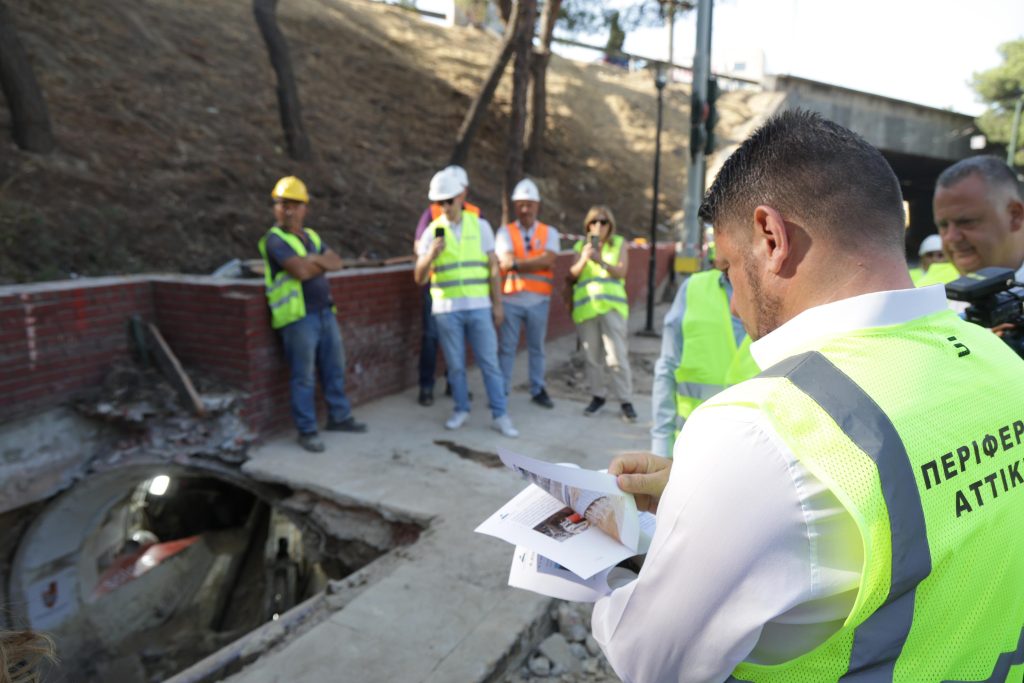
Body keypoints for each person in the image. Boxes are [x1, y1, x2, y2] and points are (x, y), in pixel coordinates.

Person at [592, 110, 1024, 681]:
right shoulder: (1002, 360)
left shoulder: (759, 430)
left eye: (728, 268)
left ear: (771, 237)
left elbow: (649, 662)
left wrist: (601, 555)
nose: (733, 304)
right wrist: (704, 499)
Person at [257, 176, 367, 453]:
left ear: (304, 208)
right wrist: (318, 262)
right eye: (283, 204)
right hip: (298, 318)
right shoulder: (274, 241)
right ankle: (306, 431)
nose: (288, 210)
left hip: (324, 312)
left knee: (334, 368)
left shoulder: (313, 238)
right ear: (276, 207)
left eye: (294, 205)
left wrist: (314, 259)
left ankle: (339, 417)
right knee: (303, 377)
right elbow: (300, 271)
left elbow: (337, 263)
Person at [414, 167, 519, 438]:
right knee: (456, 365)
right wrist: (429, 256)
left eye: (449, 201)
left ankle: (500, 414)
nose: (445, 207)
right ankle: (461, 408)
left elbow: (493, 268)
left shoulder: (480, 226)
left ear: (460, 198)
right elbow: (419, 277)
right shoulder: (432, 232)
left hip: (478, 307)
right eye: (440, 202)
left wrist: (497, 304)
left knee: (489, 363)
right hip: (447, 310)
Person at [649, 262, 758, 457]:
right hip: (690, 450)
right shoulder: (693, 288)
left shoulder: (787, 293)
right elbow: (667, 369)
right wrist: (661, 448)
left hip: (755, 457)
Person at [413, 166, 481, 407]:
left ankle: (455, 384)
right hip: (438, 286)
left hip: (466, 291)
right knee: (431, 337)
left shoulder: (475, 215)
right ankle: (426, 386)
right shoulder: (432, 212)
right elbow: (419, 246)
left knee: (459, 340)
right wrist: (431, 253)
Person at [495, 178, 560, 409]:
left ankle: (538, 388)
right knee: (507, 348)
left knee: (537, 348)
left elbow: (549, 259)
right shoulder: (505, 232)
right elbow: (505, 261)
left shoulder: (549, 232)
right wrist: (535, 261)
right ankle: (501, 390)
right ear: (515, 206)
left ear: (537, 205)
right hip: (511, 300)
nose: (525, 209)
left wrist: (518, 263)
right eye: (521, 205)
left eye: (529, 204)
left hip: (538, 301)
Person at [569, 206, 637, 422]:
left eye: (603, 221)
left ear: (610, 225)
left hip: (611, 309)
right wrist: (584, 258)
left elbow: (621, 271)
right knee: (592, 358)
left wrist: (599, 260)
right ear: (588, 225)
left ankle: (625, 401)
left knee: (616, 356)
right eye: (594, 222)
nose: (598, 226)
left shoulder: (619, 244)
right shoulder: (580, 246)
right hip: (587, 309)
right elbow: (572, 275)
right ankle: (597, 396)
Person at [932, 155, 1024, 282]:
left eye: (966, 222)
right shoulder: (933, 285)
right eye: (943, 225)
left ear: (1014, 216)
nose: (951, 237)